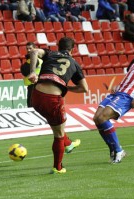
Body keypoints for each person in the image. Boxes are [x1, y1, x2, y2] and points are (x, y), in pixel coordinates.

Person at [93, 35, 134, 164]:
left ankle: (118, 150)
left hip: (127, 96)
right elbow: (130, 79)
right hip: (118, 93)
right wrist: (118, 86)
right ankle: (113, 149)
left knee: (103, 117)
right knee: (96, 118)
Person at [27, 37, 88, 174]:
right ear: (73, 49)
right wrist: (66, 88)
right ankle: (58, 168)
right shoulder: (74, 63)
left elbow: (33, 52)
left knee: (57, 126)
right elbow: (84, 88)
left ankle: (68, 144)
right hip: (53, 99)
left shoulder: (51, 53)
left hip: (36, 97)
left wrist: (32, 71)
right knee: (58, 133)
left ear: (57, 46)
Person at [20, 42, 42, 107]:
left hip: (33, 85)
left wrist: (23, 66)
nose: (28, 50)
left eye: (30, 48)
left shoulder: (34, 60)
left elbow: (24, 70)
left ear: (35, 48)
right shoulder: (38, 59)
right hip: (34, 85)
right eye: (27, 49)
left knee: (31, 106)